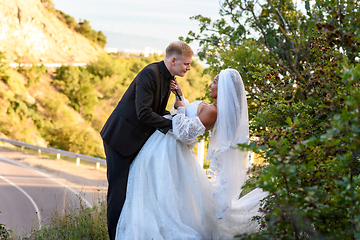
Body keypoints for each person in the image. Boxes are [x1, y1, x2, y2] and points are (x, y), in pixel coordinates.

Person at [115, 69, 268, 239]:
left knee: (153, 191)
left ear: (224, 88)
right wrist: (180, 97)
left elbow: (185, 134)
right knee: (155, 192)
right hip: (164, 145)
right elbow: (191, 119)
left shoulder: (213, 112)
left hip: (169, 148)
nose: (211, 84)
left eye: (215, 82)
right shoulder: (212, 108)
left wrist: (180, 109)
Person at [100, 41, 194, 240]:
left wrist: (177, 103)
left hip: (138, 141)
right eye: (186, 64)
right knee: (119, 193)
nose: (188, 68)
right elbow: (144, 113)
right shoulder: (149, 73)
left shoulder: (168, 79)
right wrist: (175, 126)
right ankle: (114, 236)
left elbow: (158, 112)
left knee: (134, 190)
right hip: (120, 139)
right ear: (174, 60)